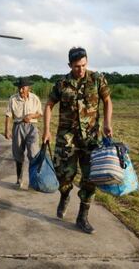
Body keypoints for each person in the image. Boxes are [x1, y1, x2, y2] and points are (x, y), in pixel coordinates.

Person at [42, 47, 112, 234]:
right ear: (69, 65)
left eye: (83, 65)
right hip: (67, 139)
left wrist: (106, 123)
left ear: (86, 62)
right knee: (64, 177)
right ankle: (64, 195)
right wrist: (47, 130)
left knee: (90, 179)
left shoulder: (97, 79)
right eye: (76, 66)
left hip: (91, 139)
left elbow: (107, 101)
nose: (80, 69)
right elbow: (49, 105)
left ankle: (82, 216)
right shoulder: (62, 83)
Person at [5, 77, 42, 188]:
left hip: (32, 127)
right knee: (18, 154)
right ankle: (19, 179)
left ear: (28, 88)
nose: (20, 90)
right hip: (18, 127)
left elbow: (40, 113)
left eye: (23, 88)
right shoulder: (13, 99)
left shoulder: (35, 98)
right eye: (19, 87)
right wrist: (7, 130)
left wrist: (31, 116)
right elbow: (8, 115)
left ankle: (33, 181)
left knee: (33, 153)